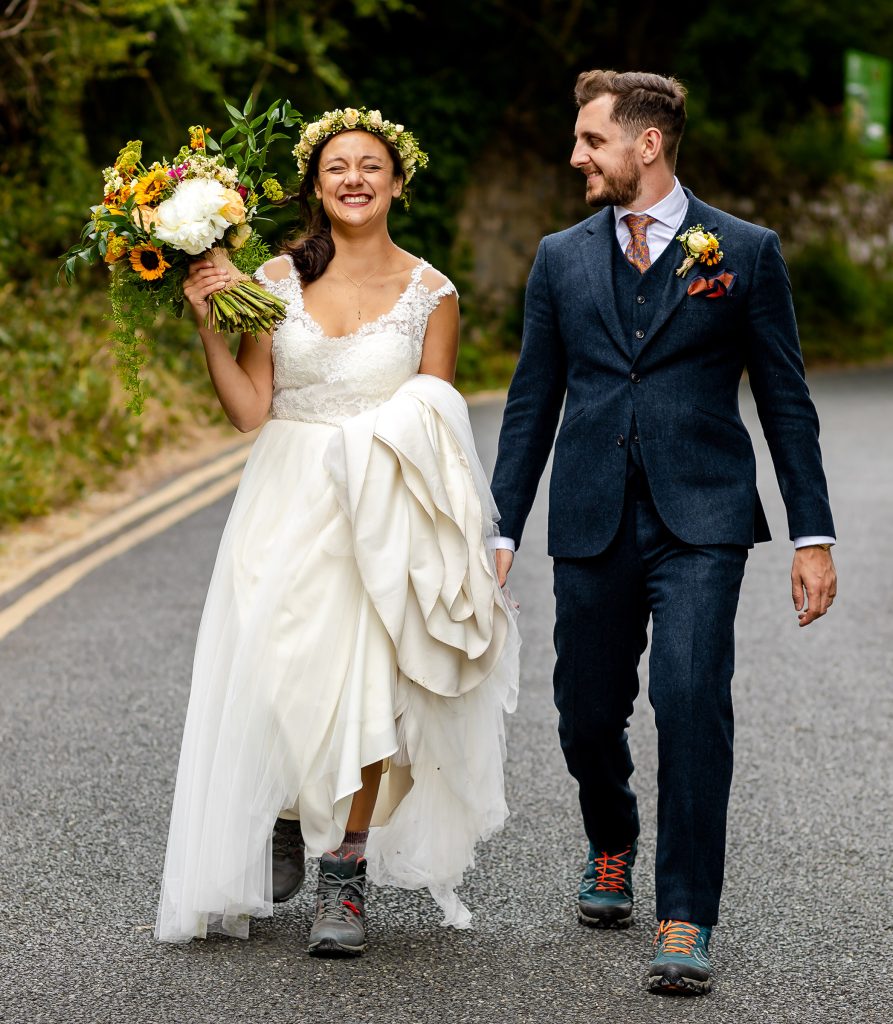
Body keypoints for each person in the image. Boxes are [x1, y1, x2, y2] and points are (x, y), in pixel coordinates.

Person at [489, 70, 837, 995]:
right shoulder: (558, 259)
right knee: (584, 713)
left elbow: (785, 402)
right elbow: (530, 405)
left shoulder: (745, 251)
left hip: (703, 520)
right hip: (592, 516)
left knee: (690, 703)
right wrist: (500, 531)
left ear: (645, 144)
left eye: (590, 141)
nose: (575, 157)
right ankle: (612, 839)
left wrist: (813, 533)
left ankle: (686, 915)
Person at [155, 107, 519, 957]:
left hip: (379, 508)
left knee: (364, 686)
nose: (353, 179)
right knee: (276, 667)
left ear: (396, 182)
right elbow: (251, 410)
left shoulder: (434, 295)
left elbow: (436, 429)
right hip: (283, 496)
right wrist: (213, 332)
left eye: (369, 166)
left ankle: (344, 878)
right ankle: (285, 809)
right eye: (336, 169)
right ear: (317, 187)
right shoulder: (273, 281)